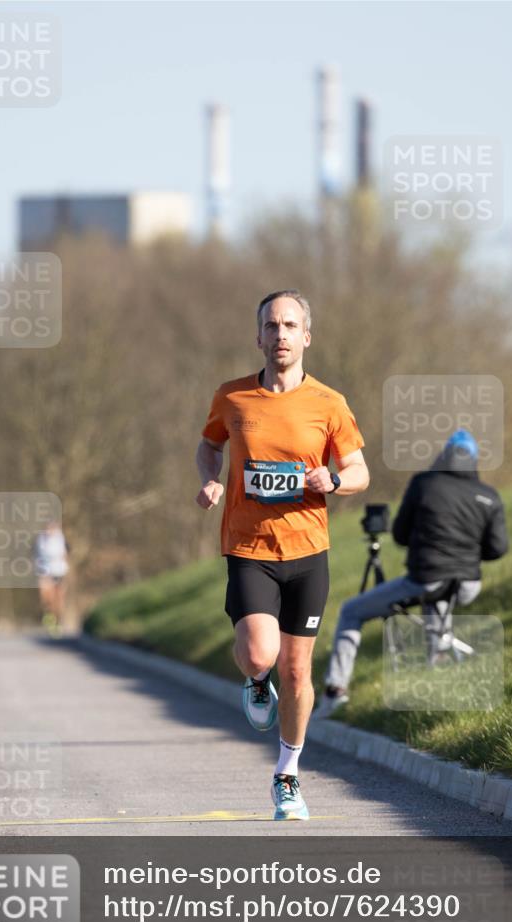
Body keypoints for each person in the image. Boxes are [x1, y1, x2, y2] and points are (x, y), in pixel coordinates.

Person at [195, 289, 369, 820]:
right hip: (249, 548)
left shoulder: (329, 403)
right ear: (259, 338)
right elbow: (210, 445)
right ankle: (253, 680)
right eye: (272, 327)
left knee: (297, 672)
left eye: (290, 326)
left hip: (308, 550)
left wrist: (333, 479)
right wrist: (209, 480)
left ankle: (287, 775)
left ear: (306, 337)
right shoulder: (233, 398)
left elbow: (360, 472)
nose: (281, 336)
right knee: (259, 654)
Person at [314, 429, 508, 717]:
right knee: (440, 595)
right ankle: (438, 667)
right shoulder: (489, 496)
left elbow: (401, 535)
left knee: (352, 610)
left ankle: (335, 691)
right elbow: (498, 548)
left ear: (444, 456)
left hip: (425, 579)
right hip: (468, 584)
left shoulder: (424, 484)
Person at [33, 520, 70, 636]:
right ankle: (49, 615)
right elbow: (35, 554)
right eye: (48, 529)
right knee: (46, 596)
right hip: (45, 571)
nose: (50, 531)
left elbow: (67, 553)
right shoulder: (40, 540)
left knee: (59, 599)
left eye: (52, 529)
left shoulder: (61, 539)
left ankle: (58, 620)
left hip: (59, 571)